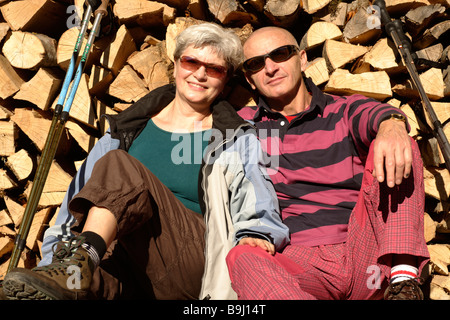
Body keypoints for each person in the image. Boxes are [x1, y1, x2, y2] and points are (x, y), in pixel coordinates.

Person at [3, 22, 289, 300]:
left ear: (225, 79)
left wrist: (257, 233)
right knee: (62, 291)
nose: (200, 74)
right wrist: (49, 263)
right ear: (176, 64)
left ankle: (78, 264)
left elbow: (255, 195)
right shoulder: (124, 131)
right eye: (191, 62)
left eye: (214, 69)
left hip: (190, 264)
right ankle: (72, 271)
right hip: (122, 267)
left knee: (120, 166)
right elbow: (72, 206)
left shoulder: (233, 137)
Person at [226, 26, 430, 300]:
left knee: (398, 141)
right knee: (242, 256)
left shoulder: (342, 109)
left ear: (302, 59)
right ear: (250, 80)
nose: (270, 68)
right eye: (256, 63)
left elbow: (375, 113)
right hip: (300, 260)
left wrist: (392, 124)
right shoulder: (244, 125)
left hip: (365, 253)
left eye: (280, 54)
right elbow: (192, 111)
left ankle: (403, 282)